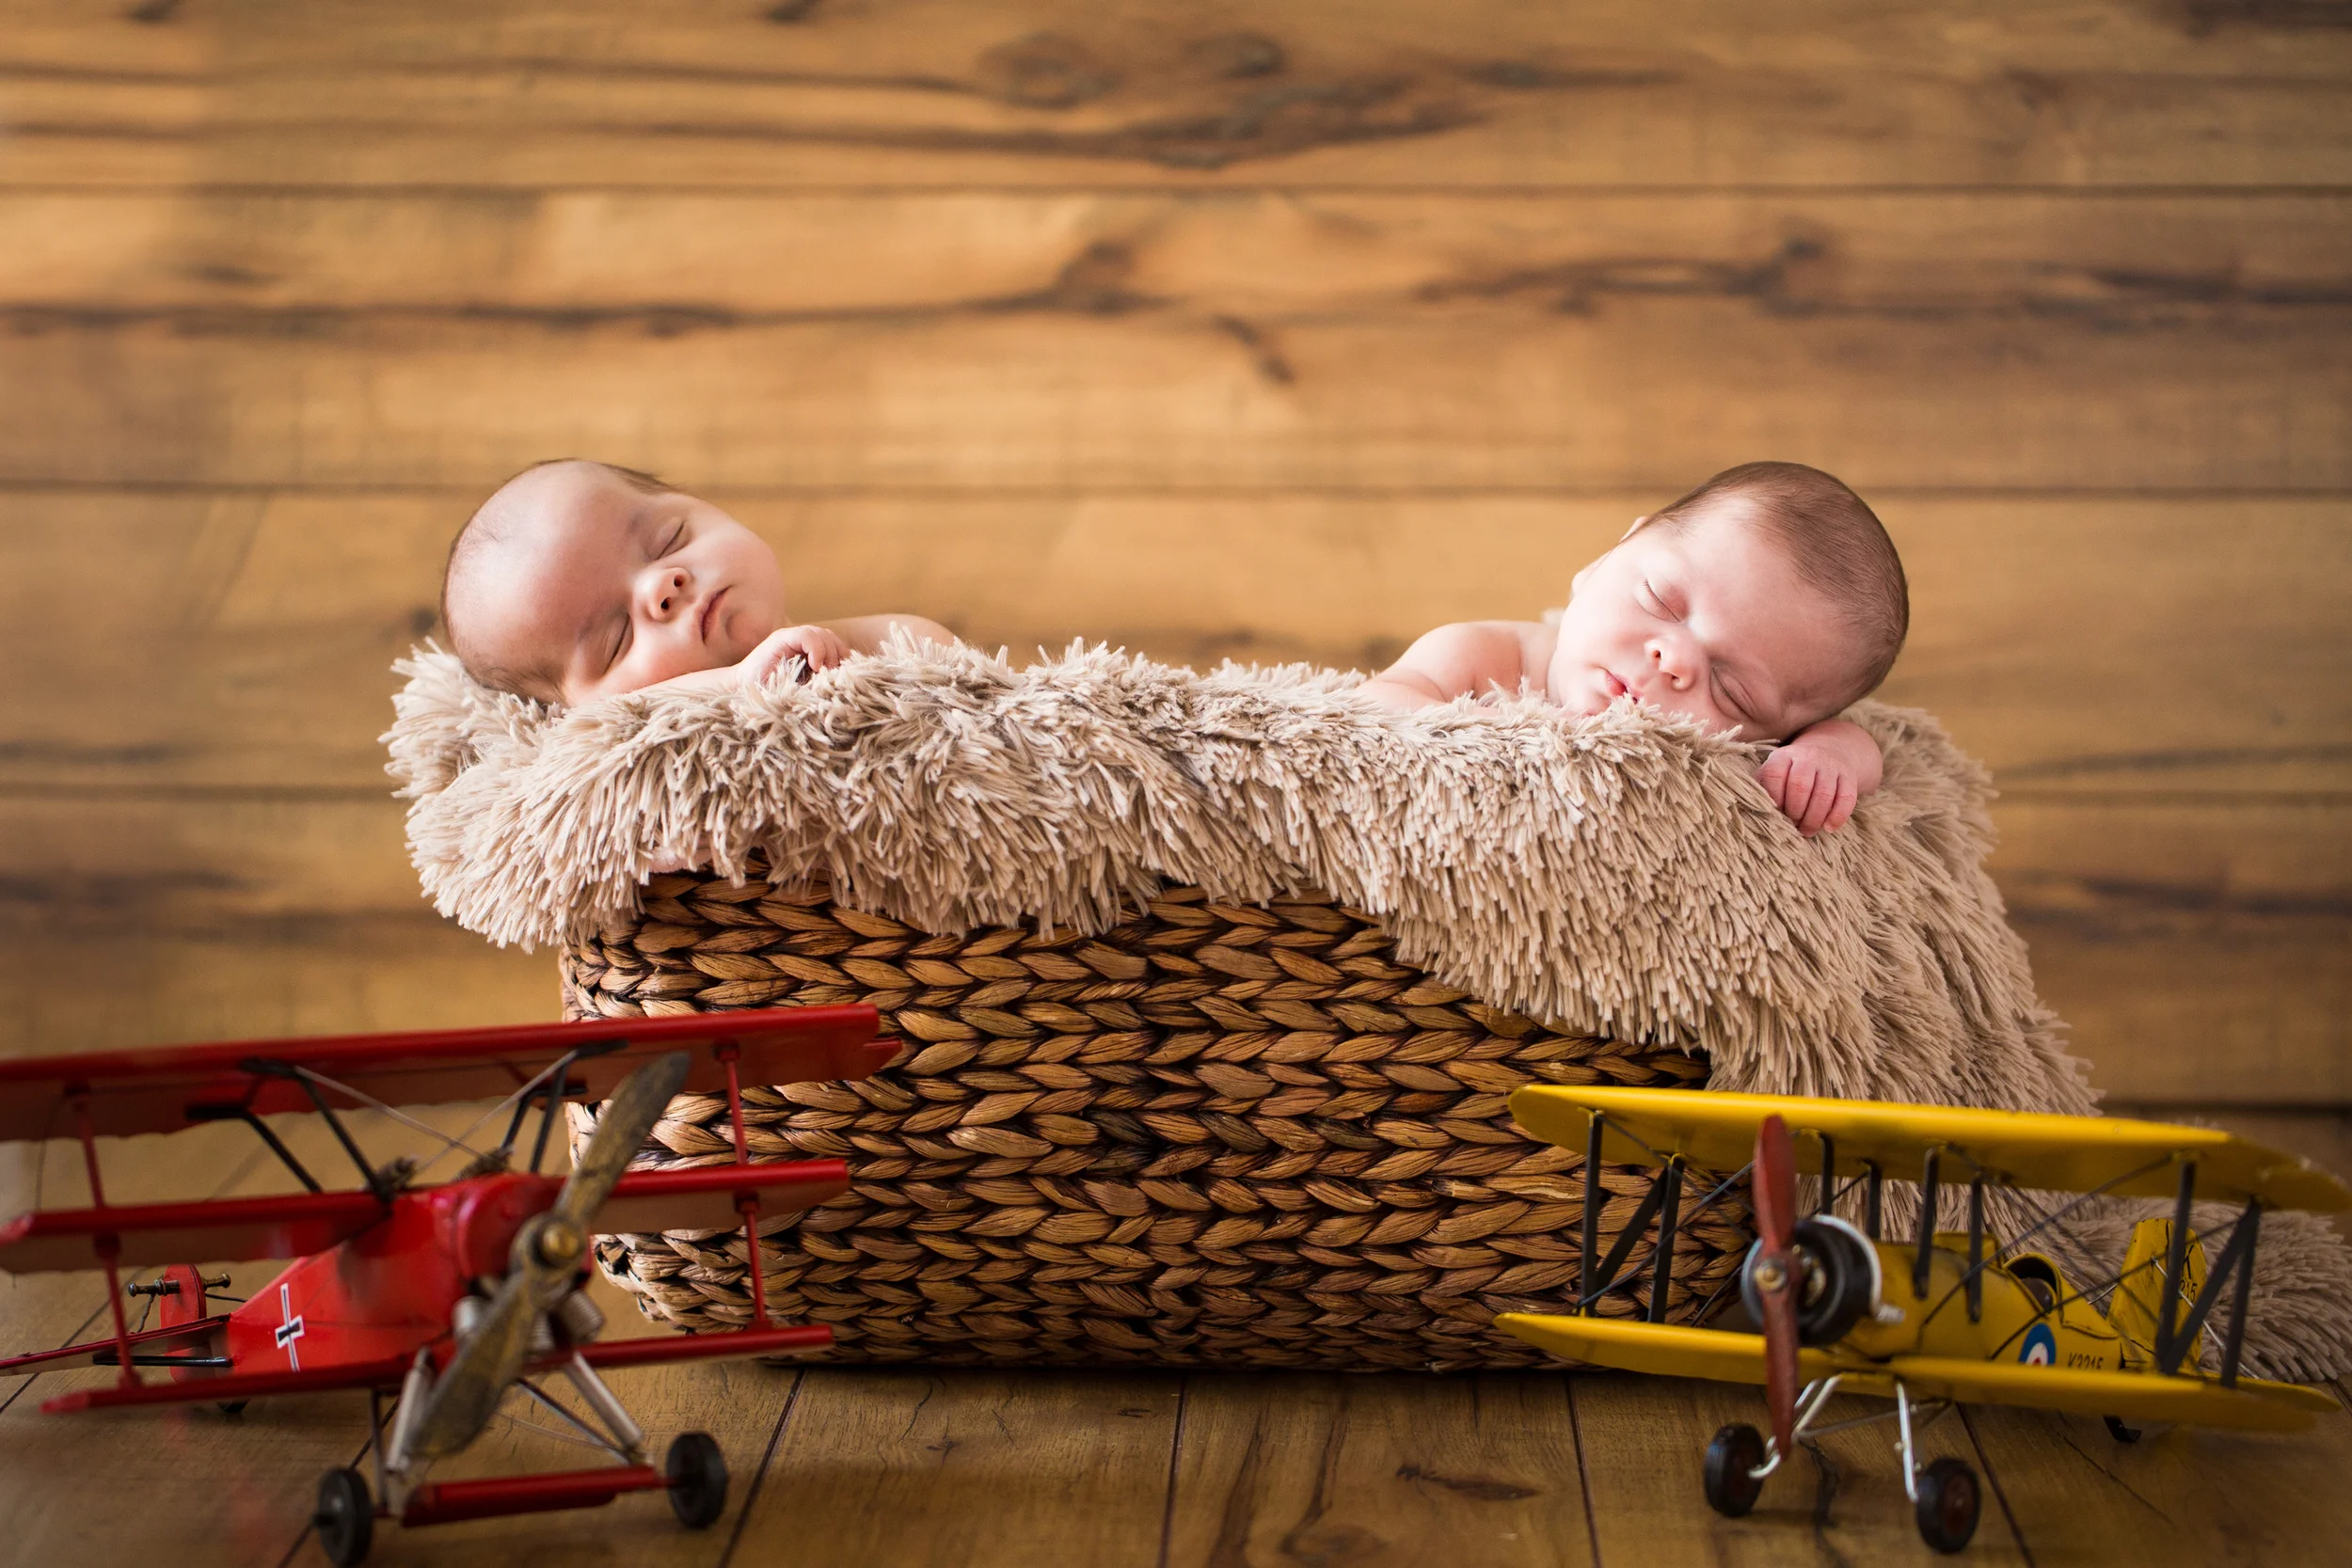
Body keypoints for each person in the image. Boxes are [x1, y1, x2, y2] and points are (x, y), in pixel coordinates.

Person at [1359, 461, 1907, 837]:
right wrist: (1486, 747)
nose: (1674, 658)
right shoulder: (1484, 654)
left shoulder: (1777, 744)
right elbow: (1378, 701)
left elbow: (1858, 742)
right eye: (1660, 601)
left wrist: (1826, 758)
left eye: (1730, 689)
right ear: (1606, 559)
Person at [438, 458, 952, 706]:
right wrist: (734, 683)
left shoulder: (895, 642)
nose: (661, 587)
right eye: (616, 638)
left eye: (669, 539)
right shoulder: (612, 777)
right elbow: (623, 726)